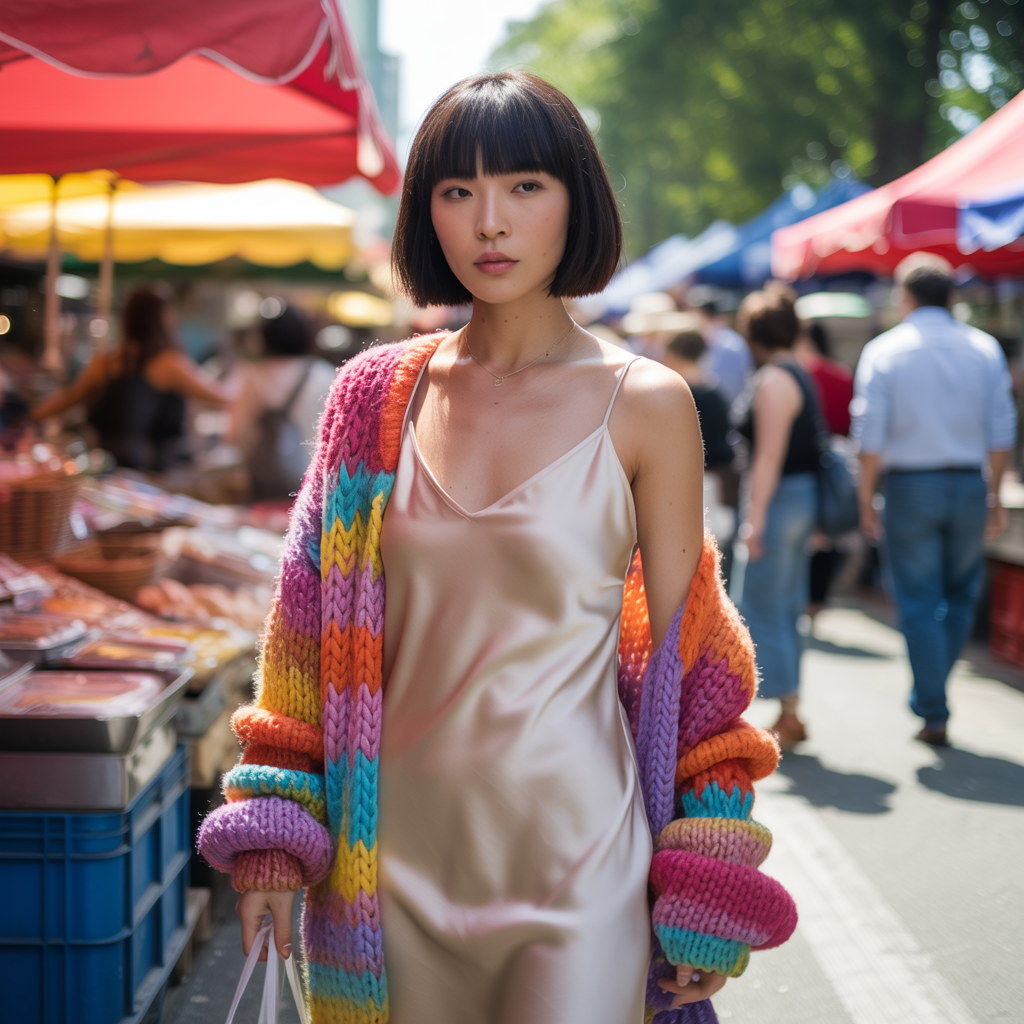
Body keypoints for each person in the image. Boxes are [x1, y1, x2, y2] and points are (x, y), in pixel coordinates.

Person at [198, 71, 795, 1024]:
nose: (489, 222)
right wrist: (275, 830)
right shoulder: (372, 399)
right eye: (457, 191)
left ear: (576, 201)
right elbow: (301, 640)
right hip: (385, 870)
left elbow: (695, 660)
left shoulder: (648, 403)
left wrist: (709, 863)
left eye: (524, 186)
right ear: (427, 213)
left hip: (582, 866)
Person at [853, 252, 1016, 746]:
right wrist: (995, 494)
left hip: (909, 488)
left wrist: (865, 498)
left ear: (905, 296)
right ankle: (934, 694)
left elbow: (870, 435)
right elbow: (1001, 429)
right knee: (962, 593)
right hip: (968, 483)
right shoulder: (984, 349)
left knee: (918, 599)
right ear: (952, 296)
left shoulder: (885, 350)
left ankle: (932, 706)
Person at [732, 286, 823, 750]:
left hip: (780, 499)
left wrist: (754, 518)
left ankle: (785, 710)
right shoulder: (799, 372)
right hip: (800, 499)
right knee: (785, 606)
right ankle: (790, 709)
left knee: (762, 607)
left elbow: (767, 457)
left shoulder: (773, 380)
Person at [31, 286, 228, 470]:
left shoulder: (103, 364)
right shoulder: (168, 364)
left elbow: (67, 399)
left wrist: (31, 414)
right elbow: (221, 397)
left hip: (104, 466)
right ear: (162, 319)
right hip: (151, 472)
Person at [228, 303, 336, 499]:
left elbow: (234, 434)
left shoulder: (250, 376)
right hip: (316, 485)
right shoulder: (324, 374)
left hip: (262, 485)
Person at [794, 320, 855, 612]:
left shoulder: (799, 375)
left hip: (804, 464)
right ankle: (817, 601)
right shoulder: (842, 376)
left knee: (802, 534)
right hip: (839, 464)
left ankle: (801, 601)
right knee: (830, 534)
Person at [663, 325, 738, 554]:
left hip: (693, 486)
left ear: (675, 353)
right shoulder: (715, 391)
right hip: (718, 482)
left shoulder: (679, 392)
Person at [693, 295, 753, 407]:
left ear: (702, 315)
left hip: (725, 409)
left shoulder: (727, 344)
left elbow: (726, 387)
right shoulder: (723, 339)